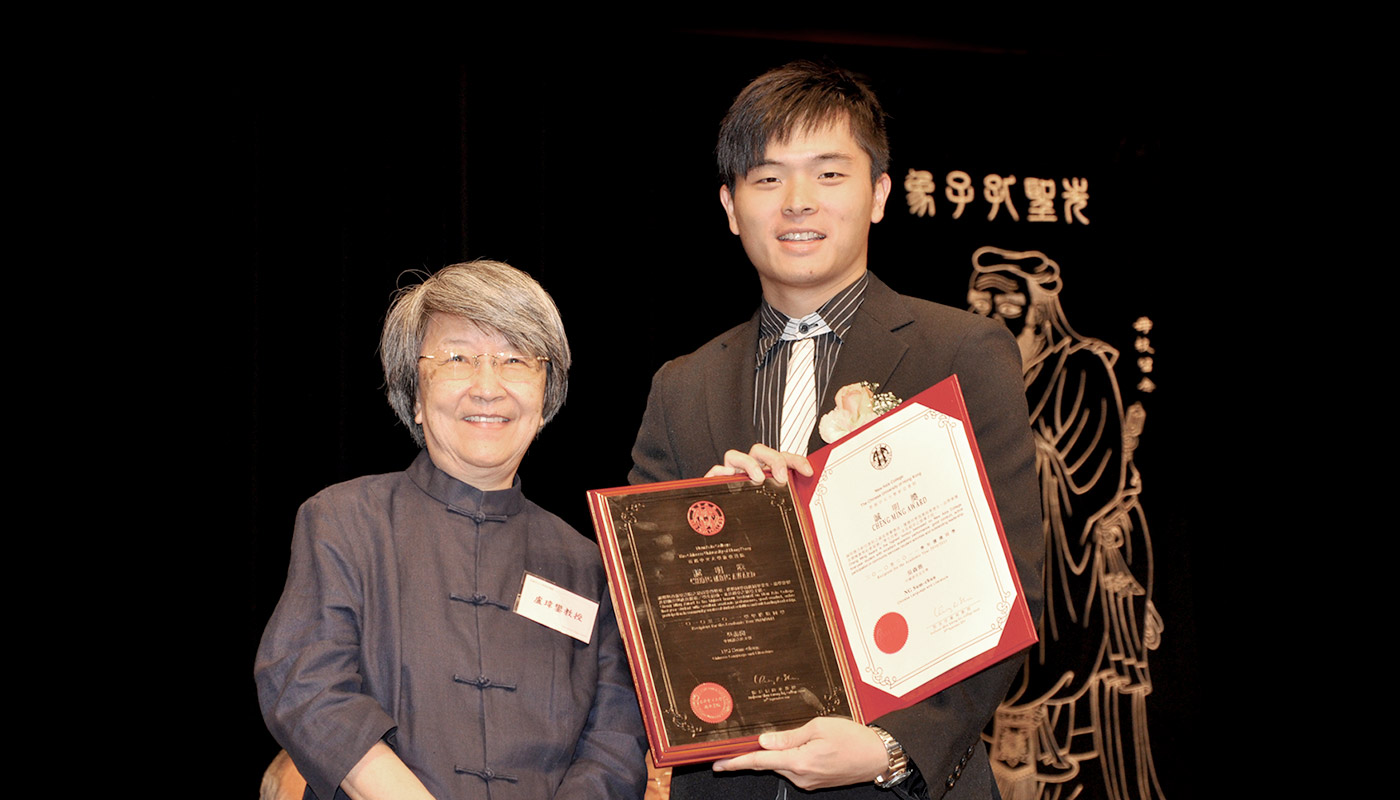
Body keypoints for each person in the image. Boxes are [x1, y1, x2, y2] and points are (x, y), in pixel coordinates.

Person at [628, 61, 1044, 799]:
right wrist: (700, 541)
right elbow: (645, 613)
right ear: (729, 206)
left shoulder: (962, 353)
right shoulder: (681, 386)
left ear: (879, 193)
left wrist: (890, 747)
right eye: (766, 180)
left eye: (828, 175)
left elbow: (1009, 591)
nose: (797, 203)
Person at [255, 260, 647, 800]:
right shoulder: (344, 521)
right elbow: (309, 689)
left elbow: (616, 742)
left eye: (515, 359)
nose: (488, 388)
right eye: (458, 357)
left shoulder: (590, 564)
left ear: (545, 396)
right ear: (413, 394)